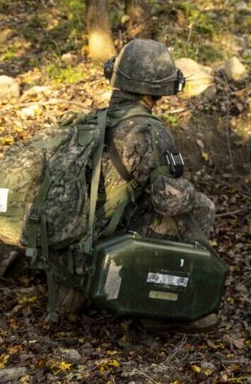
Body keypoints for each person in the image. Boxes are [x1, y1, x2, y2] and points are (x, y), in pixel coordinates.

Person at [53, 38, 219, 333]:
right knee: (201, 207)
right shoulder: (149, 130)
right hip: (107, 238)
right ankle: (161, 308)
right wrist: (190, 191)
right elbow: (169, 202)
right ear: (155, 88)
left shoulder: (92, 121)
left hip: (75, 237)